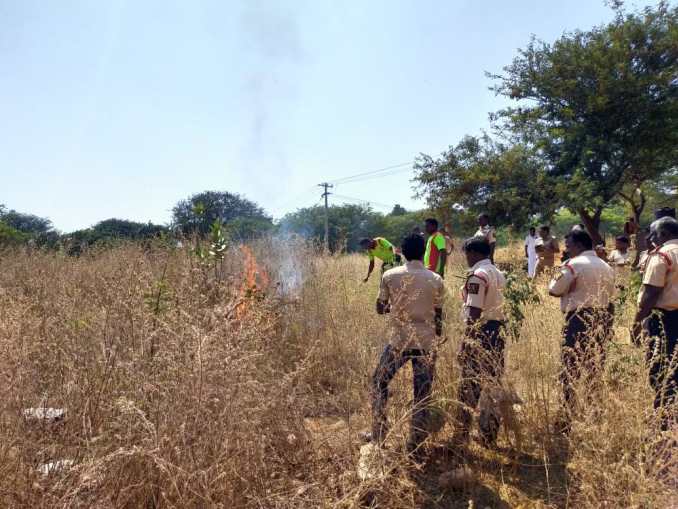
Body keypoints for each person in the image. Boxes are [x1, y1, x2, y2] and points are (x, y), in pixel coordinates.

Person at [365, 234, 445, 452]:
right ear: (423, 253)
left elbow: (380, 308)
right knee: (422, 392)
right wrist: (436, 336)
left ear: (402, 251)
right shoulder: (436, 279)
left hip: (399, 341)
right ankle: (416, 441)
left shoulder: (390, 275)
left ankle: (379, 432)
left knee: (379, 382)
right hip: (426, 342)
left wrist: (395, 308)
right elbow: (439, 316)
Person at [548, 229, 615, 425]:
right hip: (601, 319)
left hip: (577, 319)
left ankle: (565, 418)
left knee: (569, 369)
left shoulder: (572, 265)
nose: (567, 250)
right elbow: (611, 299)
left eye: (568, 246)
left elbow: (554, 289)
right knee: (594, 367)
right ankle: (594, 415)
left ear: (578, 245)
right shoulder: (606, 266)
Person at [456, 237, 507, 446]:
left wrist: (466, 343)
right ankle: (489, 434)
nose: (466, 258)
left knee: (469, 383)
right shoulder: (499, 274)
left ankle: (461, 434)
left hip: (481, 331)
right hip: (498, 331)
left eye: (467, 254)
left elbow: (474, 312)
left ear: (474, 253)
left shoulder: (478, 275)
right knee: (493, 384)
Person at [633, 217, 678, 431]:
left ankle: (664, 418)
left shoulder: (662, 255)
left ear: (664, 234)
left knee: (660, 368)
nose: (651, 238)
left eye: (654, 234)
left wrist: (636, 323)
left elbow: (651, 293)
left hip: (664, 319)